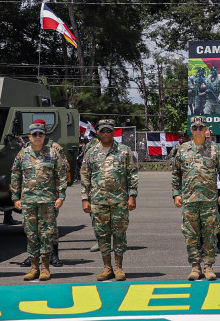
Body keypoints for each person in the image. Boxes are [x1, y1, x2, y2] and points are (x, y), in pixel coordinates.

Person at [80, 118, 139, 281]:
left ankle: (119, 267)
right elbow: (85, 176)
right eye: (103, 130)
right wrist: (85, 198)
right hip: (98, 201)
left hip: (119, 201)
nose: (106, 133)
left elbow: (133, 174)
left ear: (114, 132)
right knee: (102, 235)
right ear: (98, 132)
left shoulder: (124, 151)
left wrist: (132, 195)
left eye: (109, 131)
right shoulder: (91, 152)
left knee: (119, 234)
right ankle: (107, 267)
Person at [10, 118, 69, 282]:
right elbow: (15, 176)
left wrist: (61, 196)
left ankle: (45, 268)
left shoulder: (53, 153)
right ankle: (34, 268)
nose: (37, 137)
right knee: (31, 235)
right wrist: (15, 197)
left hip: (48, 202)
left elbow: (61, 176)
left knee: (47, 235)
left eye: (40, 134)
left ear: (44, 136)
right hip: (28, 202)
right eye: (34, 134)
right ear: (29, 137)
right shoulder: (22, 155)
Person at [171, 117, 220, 281]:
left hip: (209, 200)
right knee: (191, 234)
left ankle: (208, 266)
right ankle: (195, 267)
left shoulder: (214, 149)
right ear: (191, 129)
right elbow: (176, 174)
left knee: (210, 233)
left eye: (201, 127)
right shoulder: (182, 150)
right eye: (195, 128)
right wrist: (176, 194)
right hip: (189, 200)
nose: (198, 130)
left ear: (205, 129)